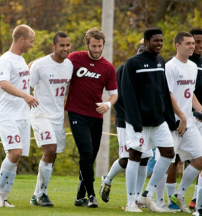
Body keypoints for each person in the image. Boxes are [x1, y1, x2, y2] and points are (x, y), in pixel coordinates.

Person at [121, 28, 176, 212]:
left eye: (161, 40)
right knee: (135, 157)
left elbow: (164, 91)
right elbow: (128, 95)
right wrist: (135, 123)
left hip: (158, 121)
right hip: (138, 122)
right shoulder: (132, 63)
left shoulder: (161, 61)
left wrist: (169, 119)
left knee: (169, 153)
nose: (159, 43)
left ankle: (146, 194)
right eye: (155, 41)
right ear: (146, 42)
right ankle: (131, 202)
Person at [99, 39, 156, 209]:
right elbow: (117, 97)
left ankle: (138, 198)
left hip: (145, 123)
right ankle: (107, 180)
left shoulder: (151, 68)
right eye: (141, 49)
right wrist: (129, 118)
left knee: (145, 158)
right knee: (127, 159)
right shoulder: (125, 68)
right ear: (138, 50)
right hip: (127, 121)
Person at [65, 27, 118, 208]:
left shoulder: (108, 67)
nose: (97, 49)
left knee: (90, 157)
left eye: (100, 46)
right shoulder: (75, 58)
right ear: (87, 44)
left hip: (96, 116)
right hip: (76, 113)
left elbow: (114, 94)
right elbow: (55, 64)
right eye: (94, 46)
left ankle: (80, 195)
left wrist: (108, 104)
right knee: (86, 152)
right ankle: (91, 196)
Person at [0, 24, 38, 208]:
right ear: (21, 39)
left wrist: (30, 66)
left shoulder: (20, 60)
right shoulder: (6, 59)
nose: (32, 45)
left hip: (22, 115)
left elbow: (16, 81)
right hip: (8, 114)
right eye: (31, 41)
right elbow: (3, 83)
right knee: (15, 152)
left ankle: (4, 196)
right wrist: (26, 95)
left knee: (16, 156)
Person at [161, 31, 202, 214]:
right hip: (174, 122)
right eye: (188, 43)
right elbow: (168, 94)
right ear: (177, 45)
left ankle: (179, 194)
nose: (192, 46)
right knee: (166, 162)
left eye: (193, 43)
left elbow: (190, 92)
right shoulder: (170, 66)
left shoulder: (193, 67)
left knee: (201, 158)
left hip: (189, 123)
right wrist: (182, 116)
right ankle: (146, 198)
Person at [29, 31, 73, 207]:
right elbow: (25, 85)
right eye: (61, 45)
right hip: (40, 114)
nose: (65, 48)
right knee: (50, 149)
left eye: (67, 45)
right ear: (53, 46)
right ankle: (43, 194)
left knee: (52, 155)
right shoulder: (40, 65)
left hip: (58, 116)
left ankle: (35, 194)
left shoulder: (70, 65)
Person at [188, 28, 202, 212]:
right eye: (196, 42)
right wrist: (199, 110)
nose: (200, 46)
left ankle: (196, 200)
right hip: (186, 116)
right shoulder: (181, 63)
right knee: (172, 159)